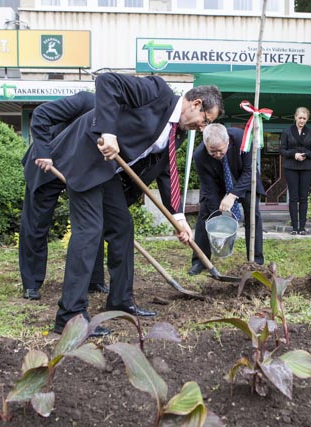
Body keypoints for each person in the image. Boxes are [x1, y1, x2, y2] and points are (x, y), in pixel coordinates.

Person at [35, 73, 223, 336]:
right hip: (86, 159)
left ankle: (121, 300)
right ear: (196, 104)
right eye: (206, 120)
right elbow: (106, 82)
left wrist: (178, 217)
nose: (203, 127)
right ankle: (70, 316)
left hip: (107, 172)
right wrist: (108, 133)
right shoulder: (156, 92)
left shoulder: (176, 133)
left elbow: (167, 172)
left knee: (123, 228)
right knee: (89, 232)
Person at [19, 91, 107, 301]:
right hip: (48, 164)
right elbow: (41, 115)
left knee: (92, 224)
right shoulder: (87, 101)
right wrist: (43, 153)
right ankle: (31, 283)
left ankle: (93, 280)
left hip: (81, 171)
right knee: (37, 223)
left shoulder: (122, 118)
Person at [188, 124, 265, 275]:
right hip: (216, 183)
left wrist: (232, 195)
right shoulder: (199, 155)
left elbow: (249, 171)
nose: (217, 154)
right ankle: (200, 261)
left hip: (244, 179)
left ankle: (256, 261)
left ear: (227, 141)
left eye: (220, 150)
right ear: (205, 145)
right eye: (212, 151)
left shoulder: (243, 139)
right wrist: (218, 217)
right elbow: (208, 189)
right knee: (205, 215)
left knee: (253, 214)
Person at [280, 107, 311, 235]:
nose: (302, 120)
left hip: (306, 167)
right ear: (295, 117)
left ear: (307, 119)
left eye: (304, 118)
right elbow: (282, 150)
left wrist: (306, 154)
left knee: (303, 198)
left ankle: (302, 227)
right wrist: (294, 154)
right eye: (300, 118)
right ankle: (294, 228)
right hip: (291, 167)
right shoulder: (287, 132)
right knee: (293, 197)